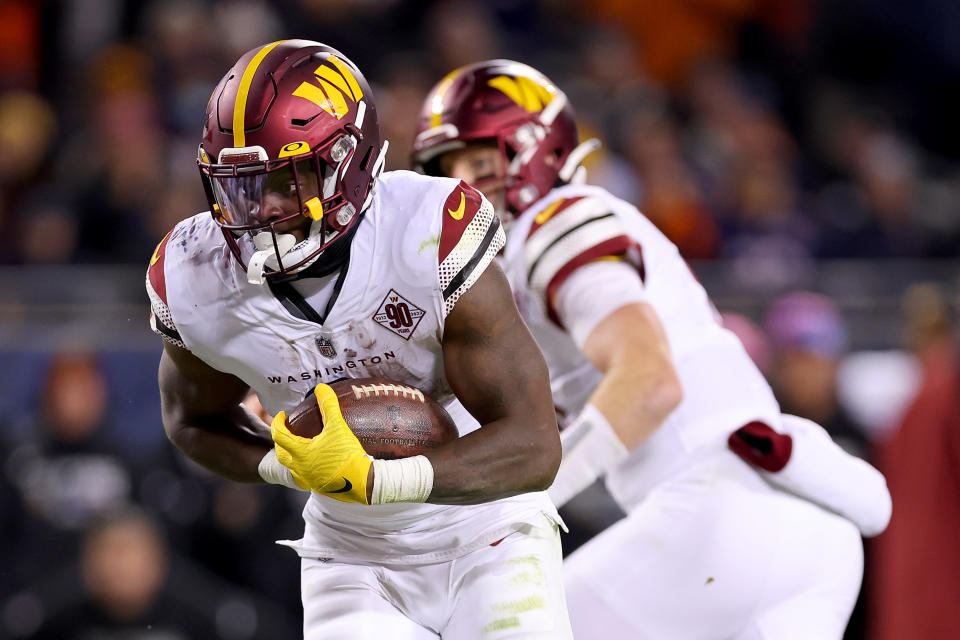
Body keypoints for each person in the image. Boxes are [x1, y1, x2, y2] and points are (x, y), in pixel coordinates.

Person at [412, 59, 891, 640]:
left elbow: (650, 382)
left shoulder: (555, 222)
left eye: (480, 162)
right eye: (447, 169)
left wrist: (534, 495)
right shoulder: (507, 282)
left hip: (723, 510)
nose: (463, 183)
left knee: (489, 629)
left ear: (535, 152)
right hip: (805, 530)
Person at [147, 41, 572, 639]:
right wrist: (290, 466)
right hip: (350, 554)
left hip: (489, 530)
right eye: (239, 185)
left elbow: (534, 447)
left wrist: (382, 479)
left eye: (286, 180)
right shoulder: (194, 274)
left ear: (348, 162)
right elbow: (191, 421)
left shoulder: (429, 232)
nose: (261, 209)